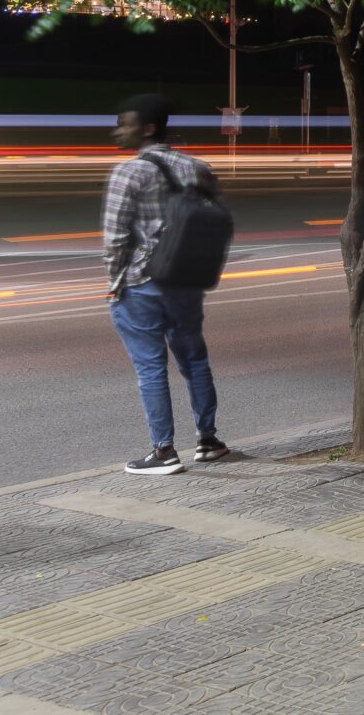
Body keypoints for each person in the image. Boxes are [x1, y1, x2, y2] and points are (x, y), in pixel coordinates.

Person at [103, 94, 227, 474]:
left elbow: (115, 237)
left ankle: (163, 452)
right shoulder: (197, 167)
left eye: (125, 123)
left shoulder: (128, 172)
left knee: (151, 368)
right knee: (195, 360)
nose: (118, 130)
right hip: (186, 281)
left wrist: (114, 281)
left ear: (148, 128)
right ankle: (208, 441)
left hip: (143, 282)